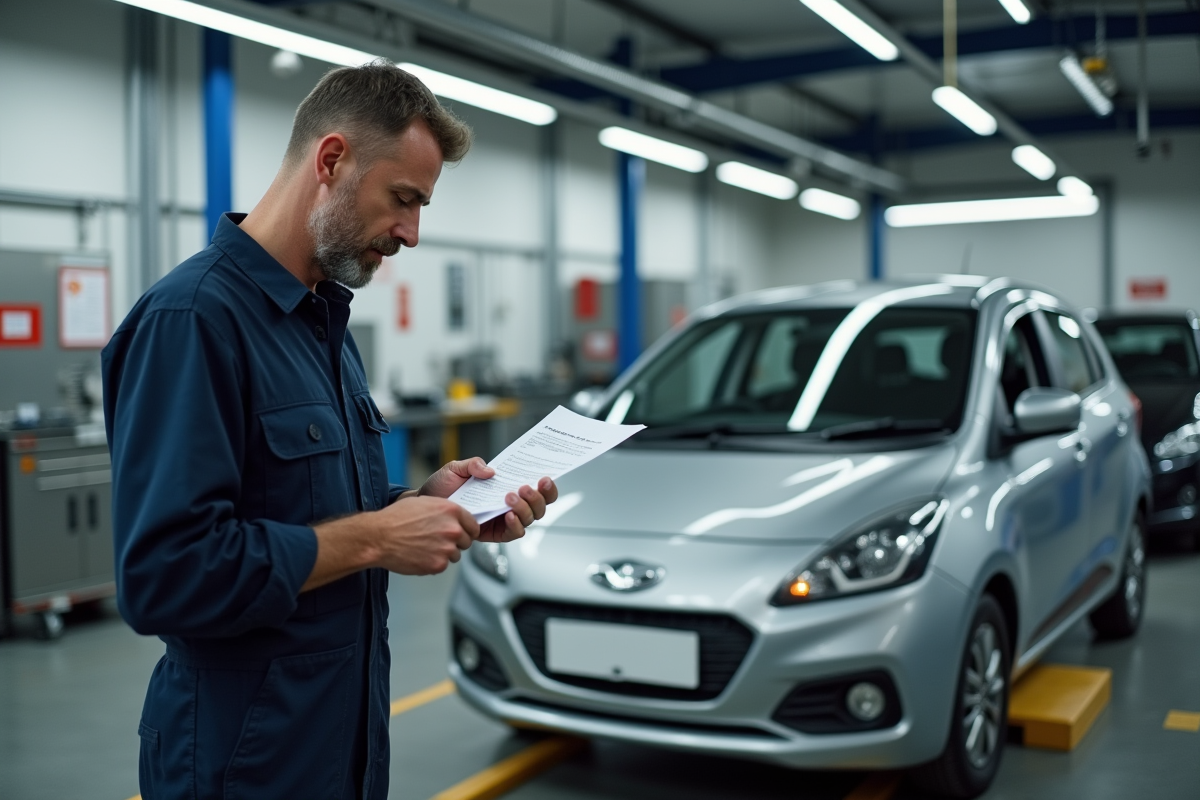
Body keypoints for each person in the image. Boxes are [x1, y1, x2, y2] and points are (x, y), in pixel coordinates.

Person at [101, 60, 558, 800]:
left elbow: (308, 505)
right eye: (403, 199)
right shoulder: (192, 321)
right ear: (333, 160)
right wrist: (377, 539)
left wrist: (427, 505)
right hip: (240, 765)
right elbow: (165, 578)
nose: (411, 233)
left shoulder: (323, 326)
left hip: (339, 745)